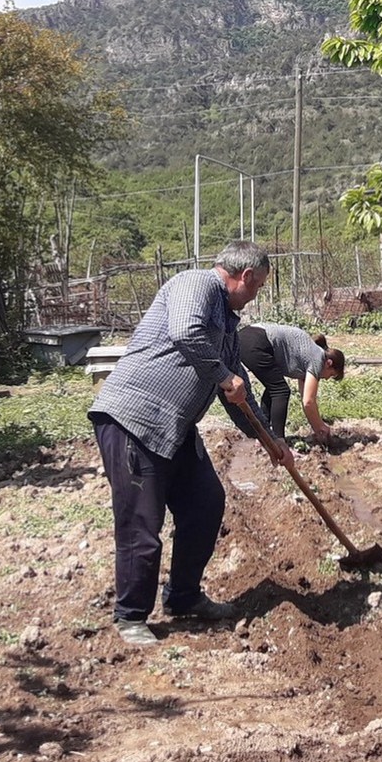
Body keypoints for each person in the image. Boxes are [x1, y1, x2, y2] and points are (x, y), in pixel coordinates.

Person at [87, 239, 288, 646]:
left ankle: (183, 596)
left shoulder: (228, 324)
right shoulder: (194, 285)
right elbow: (185, 332)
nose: (254, 297)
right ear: (245, 276)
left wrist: (270, 439)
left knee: (205, 504)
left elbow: (238, 389)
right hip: (134, 419)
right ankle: (131, 615)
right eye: (258, 287)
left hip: (175, 427)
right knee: (142, 523)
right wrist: (222, 376)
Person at [235, 322, 346, 447]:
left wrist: (317, 429)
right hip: (256, 341)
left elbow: (306, 399)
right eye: (331, 375)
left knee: (274, 388)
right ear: (329, 363)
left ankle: (262, 436)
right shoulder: (317, 359)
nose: (326, 379)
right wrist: (320, 427)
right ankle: (279, 443)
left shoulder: (309, 359)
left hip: (245, 338)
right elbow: (308, 402)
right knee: (281, 391)